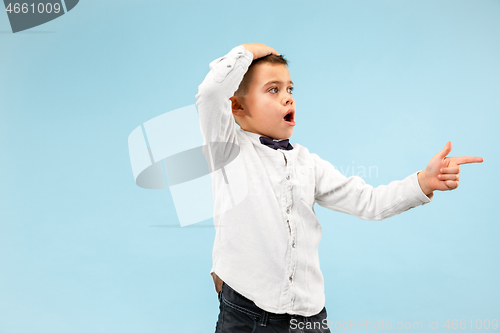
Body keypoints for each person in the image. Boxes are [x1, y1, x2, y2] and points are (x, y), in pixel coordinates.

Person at [195, 43, 483, 333]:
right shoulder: (227, 150)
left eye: (290, 89)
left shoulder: (309, 163)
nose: (287, 99)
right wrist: (247, 51)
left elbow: (369, 202)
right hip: (248, 313)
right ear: (237, 106)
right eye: (273, 90)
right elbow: (210, 94)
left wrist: (421, 182)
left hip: (308, 318)